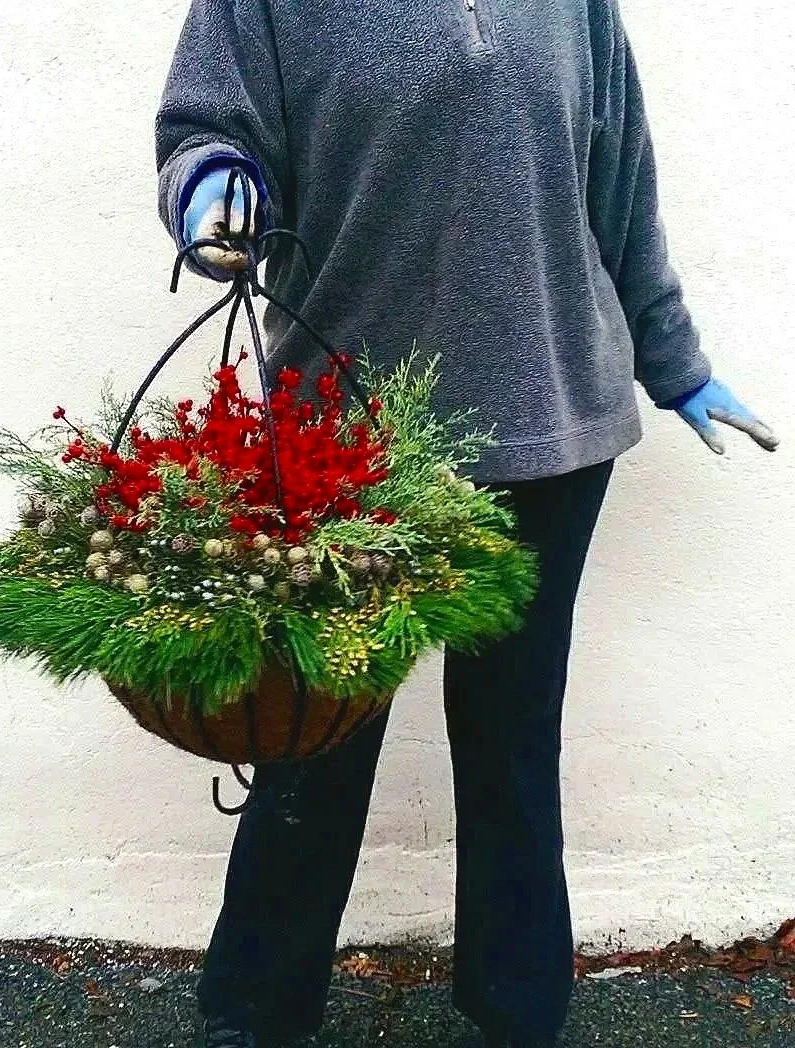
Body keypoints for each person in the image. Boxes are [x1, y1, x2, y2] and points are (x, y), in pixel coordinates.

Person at [153, 1, 779, 1046]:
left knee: (512, 739)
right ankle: (254, 1015)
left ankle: (519, 1009)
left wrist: (677, 368)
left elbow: (619, 181)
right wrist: (213, 187)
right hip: (349, 440)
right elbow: (204, 129)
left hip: (551, 431)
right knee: (316, 740)